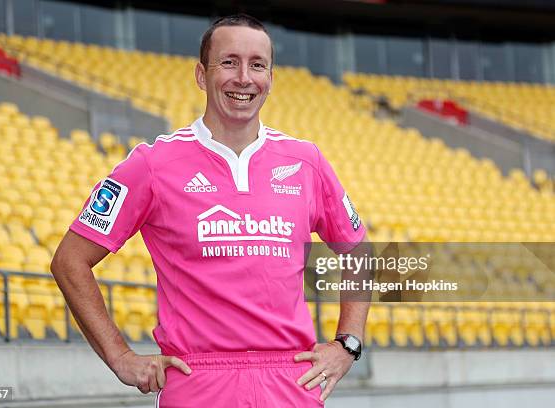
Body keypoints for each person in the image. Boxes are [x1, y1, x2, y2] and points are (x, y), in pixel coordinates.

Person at [51, 13, 370, 407]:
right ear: (202, 75)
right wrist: (120, 357)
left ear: (270, 78)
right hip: (198, 381)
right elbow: (70, 261)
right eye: (229, 62)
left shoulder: (306, 161)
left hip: (292, 381)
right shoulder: (152, 164)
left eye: (257, 65)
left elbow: (358, 251)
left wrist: (347, 343)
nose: (244, 77)